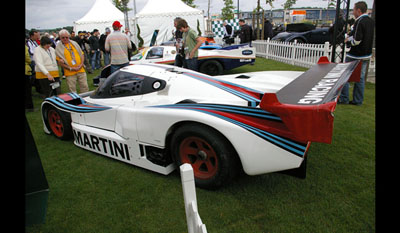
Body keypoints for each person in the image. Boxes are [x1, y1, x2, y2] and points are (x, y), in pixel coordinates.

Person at [338, 1, 374, 106]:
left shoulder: (360, 21)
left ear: (358, 10)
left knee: (344, 76)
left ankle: (344, 98)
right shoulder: (370, 21)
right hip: (366, 54)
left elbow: (357, 39)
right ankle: (358, 100)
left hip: (356, 54)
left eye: (353, 10)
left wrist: (348, 40)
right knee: (360, 78)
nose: (353, 12)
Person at [55, 29, 89, 93]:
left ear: (69, 36)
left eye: (66, 37)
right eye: (63, 37)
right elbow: (59, 62)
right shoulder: (58, 48)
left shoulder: (74, 43)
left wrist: (81, 64)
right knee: (72, 89)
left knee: (85, 86)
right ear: (60, 37)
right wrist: (71, 68)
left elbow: (81, 54)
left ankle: (85, 100)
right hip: (69, 72)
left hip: (80, 69)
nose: (65, 39)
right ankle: (75, 101)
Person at [25, 44, 34, 111]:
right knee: (27, 90)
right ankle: (29, 107)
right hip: (26, 71)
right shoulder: (25, 48)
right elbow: (27, 58)